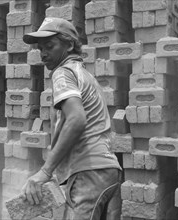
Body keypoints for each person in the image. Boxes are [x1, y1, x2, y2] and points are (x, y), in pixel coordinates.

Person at [21, 17, 122, 220]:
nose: (43, 54)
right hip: (107, 171)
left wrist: (45, 171)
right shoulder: (85, 75)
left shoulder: (63, 73)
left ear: (69, 45)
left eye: (49, 46)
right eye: (40, 49)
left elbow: (76, 119)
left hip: (89, 173)